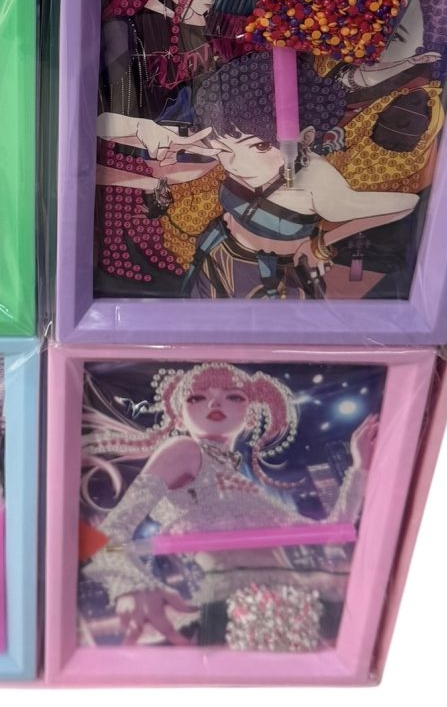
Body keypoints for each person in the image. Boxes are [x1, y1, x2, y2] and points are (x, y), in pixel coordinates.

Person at [80, 362, 376, 648]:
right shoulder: (184, 450)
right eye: (197, 397)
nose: (214, 403)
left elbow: (332, 533)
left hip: (294, 607)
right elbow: (110, 532)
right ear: (179, 418)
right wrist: (132, 586)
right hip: (232, 610)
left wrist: (360, 466)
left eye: (233, 396)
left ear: (251, 416)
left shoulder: (246, 488)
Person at [98, 54, 419, 299]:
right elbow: (100, 126)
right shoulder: (229, 148)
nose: (237, 163)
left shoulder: (317, 180)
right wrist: (142, 127)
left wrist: (321, 243)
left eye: (262, 146)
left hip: (268, 283)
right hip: (214, 255)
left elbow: (406, 204)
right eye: (225, 148)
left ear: (305, 137)